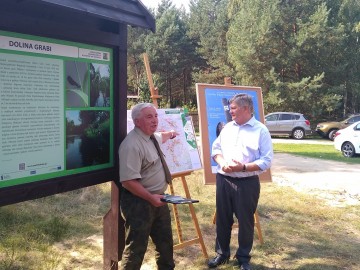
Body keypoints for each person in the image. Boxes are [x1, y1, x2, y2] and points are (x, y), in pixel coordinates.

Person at [208, 94, 273, 270]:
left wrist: (243, 167)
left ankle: (243, 257)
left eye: (234, 108)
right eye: (231, 108)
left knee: (245, 221)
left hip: (247, 183)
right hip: (224, 180)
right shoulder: (227, 127)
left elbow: (266, 161)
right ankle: (221, 254)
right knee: (222, 219)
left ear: (246, 108)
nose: (231, 111)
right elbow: (216, 149)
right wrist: (222, 163)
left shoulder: (261, 130)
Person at [119, 103, 177, 270]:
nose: (155, 120)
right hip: (139, 203)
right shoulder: (131, 145)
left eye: (156, 116)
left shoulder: (151, 137)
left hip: (159, 200)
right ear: (137, 122)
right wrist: (151, 198)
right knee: (136, 249)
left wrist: (172, 134)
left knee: (165, 245)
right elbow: (128, 182)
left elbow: (162, 136)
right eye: (149, 117)